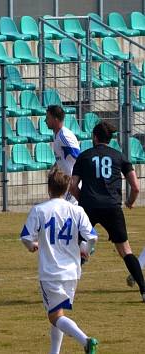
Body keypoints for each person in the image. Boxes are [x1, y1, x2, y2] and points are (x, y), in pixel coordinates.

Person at [21, 167, 99, 354]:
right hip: (72, 271)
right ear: (66, 190)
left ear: (49, 189)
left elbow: (25, 237)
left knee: (54, 316)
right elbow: (93, 237)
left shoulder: (39, 210)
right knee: (58, 312)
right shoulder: (77, 210)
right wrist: (85, 251)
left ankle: (86, 341)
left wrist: (31, 246)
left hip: (50, 272)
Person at [69, 121, 145, 302]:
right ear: (109, 139)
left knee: (73, 247)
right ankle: (143, 290)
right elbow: (135, 187)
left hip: (88, 208)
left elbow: (72, 185)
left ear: (94, 137)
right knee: (125, 251)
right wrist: (129, 202)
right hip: (112, 207)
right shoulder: (119, 157)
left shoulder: (85, 156)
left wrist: (84, 200)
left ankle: (66, 290)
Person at [44, 105, 80, 203]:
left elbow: (78, 157)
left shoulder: (65, 136)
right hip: (65, 183)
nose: (45, 120)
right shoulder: (57, 135)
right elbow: (62, 157)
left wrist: (76, 180)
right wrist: (55, 167)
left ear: (55, 119)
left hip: (71, 183)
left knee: (67, 210)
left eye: (47, 118)